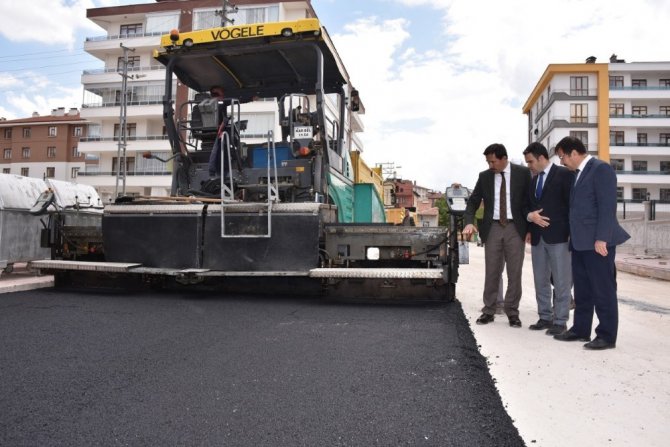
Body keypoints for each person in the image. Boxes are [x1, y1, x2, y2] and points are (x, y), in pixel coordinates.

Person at [552, 136, 630, 350]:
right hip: (579, 243)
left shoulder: (600, 169)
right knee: (583, 291)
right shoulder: (577, 174)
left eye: (562, 157)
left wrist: (602, 238)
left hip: (597, 242)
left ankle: (606, 336)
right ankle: (580, 329)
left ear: (574, 153)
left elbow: (607, 207)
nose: (561, 162)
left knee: (603, 290)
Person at [463, 143, 531, 327]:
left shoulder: (522, 173)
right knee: (492, 271)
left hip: (515, 228)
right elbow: (473, 201)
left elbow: (529, 201)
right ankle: (489, 310)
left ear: (503, 159)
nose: (490, 165)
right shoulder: (484, 177)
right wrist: (469, 221)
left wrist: (530, 228)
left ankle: (512, 312)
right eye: (488, 162)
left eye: (493, 161)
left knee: (514, 272)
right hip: (492, 228)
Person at [523, 142, 574, 336]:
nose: (529, 165)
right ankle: (545, 317)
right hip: (537, 238)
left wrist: (571, 232)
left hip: (559, 237)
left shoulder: (565, 175)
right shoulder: (533, 181)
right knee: (540, 280)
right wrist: (530, 218)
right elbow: (526, 206)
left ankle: (560, 321)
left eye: (530, 162)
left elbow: (572, 205)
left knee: (562, 281)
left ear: (542, 158)